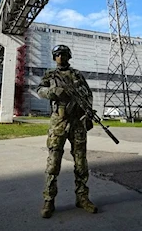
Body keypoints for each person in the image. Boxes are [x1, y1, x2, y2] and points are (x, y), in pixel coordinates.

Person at [37, 44, 97, 218]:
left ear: (69, 56)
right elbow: (39, 90)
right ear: (54, 57)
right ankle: (49, 200)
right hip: (59, 123)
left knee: (81, 163)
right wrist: (53, 91)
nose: (60, 57)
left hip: (77, 122)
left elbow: (88, 95)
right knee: (53, 162)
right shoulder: (50, 75)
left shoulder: (77, 74)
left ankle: (82, 197)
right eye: (57, 55)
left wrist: (88, 113)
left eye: (63, 54)